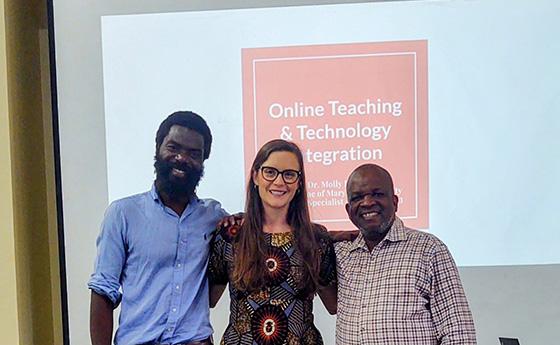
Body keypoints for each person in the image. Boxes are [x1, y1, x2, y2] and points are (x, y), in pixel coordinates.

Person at [88, 111, 227, 345]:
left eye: (194, 153)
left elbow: (212, 297)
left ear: (204, 161)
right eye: (173, 147)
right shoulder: (123, 214)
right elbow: (103, 292)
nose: (182, 158)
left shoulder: (214, 218)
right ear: (158, 148)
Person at [208, 139, 337, 345]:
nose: (279, 182)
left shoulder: (317, 238)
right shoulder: (231, 234)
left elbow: (334, 305)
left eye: (289, 174)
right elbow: (208, 300)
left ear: (299, 182)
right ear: (255, 176)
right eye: (270, 172)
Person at [335, 163, 477, 345]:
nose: (368, 202)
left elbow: (459, 334)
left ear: (394, 202)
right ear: (348, 210)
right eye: (357, 197)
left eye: (377, 194)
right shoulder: (342, 252)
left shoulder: (429, 249)